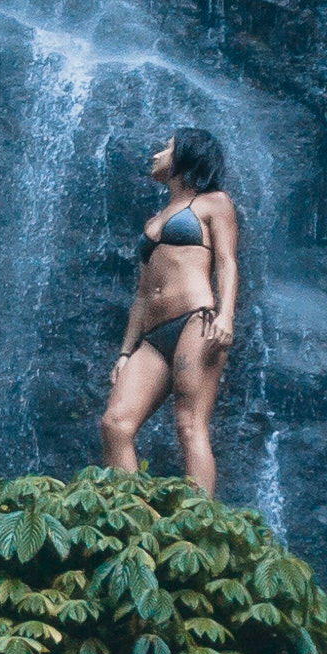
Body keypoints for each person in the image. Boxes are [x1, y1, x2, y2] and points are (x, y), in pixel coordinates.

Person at [98, 127, 242, 491]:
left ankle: (198, 530)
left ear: (187, 156)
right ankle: (133, 519)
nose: (156, 154)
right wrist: (125, 351)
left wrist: (226, 315)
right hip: (152, 336)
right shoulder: (154, 222)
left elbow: (226, 262)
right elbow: (142, 295)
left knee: (189, 424)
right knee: (115, 424)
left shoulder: (214, 203)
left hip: (197, 320)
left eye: (167, 148)